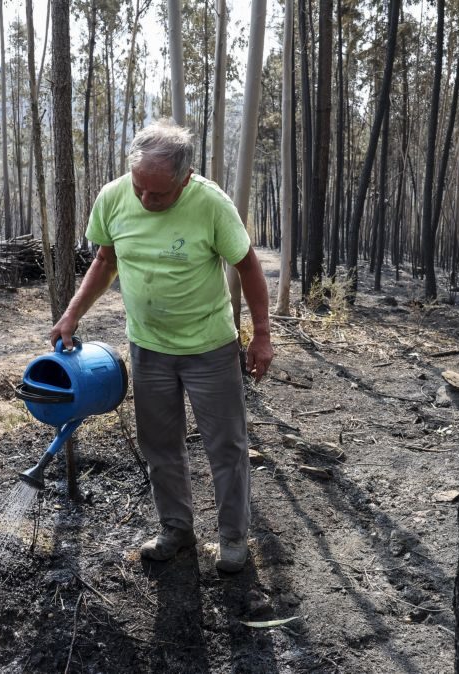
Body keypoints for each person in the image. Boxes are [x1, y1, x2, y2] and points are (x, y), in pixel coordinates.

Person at [50, 119, 274, 573]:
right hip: (148, 348)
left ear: (185, 178)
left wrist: (263, 334)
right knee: (160, 445)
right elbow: (105, 260)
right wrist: (72, 313)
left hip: (209, 348)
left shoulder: (210, 203)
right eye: (140, 189)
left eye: (159, 194)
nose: (147, 200)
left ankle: (232, 537)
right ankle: (176, 528)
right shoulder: (113, 198)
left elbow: (248, 266)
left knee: (225, 445)